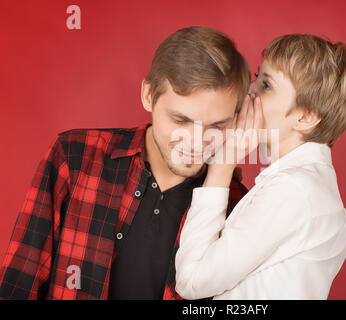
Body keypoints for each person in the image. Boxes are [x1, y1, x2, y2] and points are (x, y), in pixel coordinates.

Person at [0, 26, 249, 300]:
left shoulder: (239, 205)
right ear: (148, 95)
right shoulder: (74, 157)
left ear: (238, 119)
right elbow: (20, 283)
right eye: (180, 120)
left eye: (217, 125)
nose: (195, 142)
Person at [175, 34, 346, 299]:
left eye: (266, 85)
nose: (250, 90)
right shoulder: (305, 185)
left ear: (306, 117)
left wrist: (222, 165)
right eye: (257, 76)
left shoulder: (293, 191)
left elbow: (191, 281)